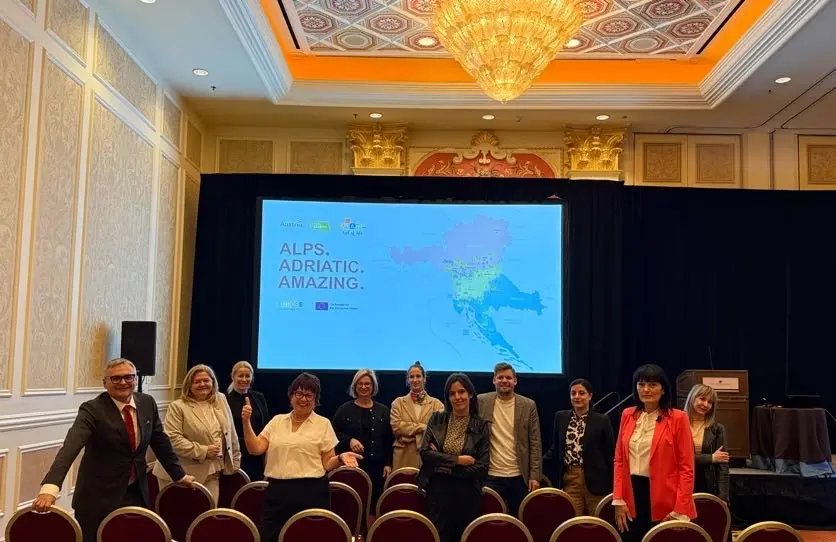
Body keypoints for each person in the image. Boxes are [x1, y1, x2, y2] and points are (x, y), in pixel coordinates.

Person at [34, 358, 195, 542]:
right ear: (105, 383)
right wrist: (50, 488)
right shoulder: (92, 409)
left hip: (136, 492)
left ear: (135, 379)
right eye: (116, 378)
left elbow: (161, 442)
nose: (123, 382)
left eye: (128, 377)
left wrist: (179, 475)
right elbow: (70, 447)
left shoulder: (147, 402)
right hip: (97, 498)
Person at [241, 372, 362, 542]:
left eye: (309, 395)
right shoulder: (277, 421)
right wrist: (246, 422)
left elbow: (327, 463)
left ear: (315, 399)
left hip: (311, 492)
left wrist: (341, 457)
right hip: (277, 492)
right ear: (291, 395)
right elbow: (255, 449)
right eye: (299, 394)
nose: (303, 399)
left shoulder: (323, 424)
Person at [613, 364, 696, 542]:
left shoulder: (678, 418)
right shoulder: (628, 415)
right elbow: (619, 460)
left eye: (652, 385)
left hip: (666, 498)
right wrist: (618, 499)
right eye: (641, 384)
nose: (646, 390)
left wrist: (680, 509)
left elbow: (687, 468)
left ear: (663, 389)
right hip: (630, 495)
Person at [418, 373, 490, 542]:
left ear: (470, 394)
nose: (457, 397)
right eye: (452, 393)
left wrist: (443, 465)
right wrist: (458, 460)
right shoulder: (437, 419)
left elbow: (482, 467)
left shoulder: (481, 426)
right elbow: (425, 453)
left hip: (467, 494)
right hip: (437, 493)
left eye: (461, 392)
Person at [152, 364, 240, 502]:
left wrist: (235, 460)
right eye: (197, 381)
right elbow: (173, 439)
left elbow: (231, 432)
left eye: (206, 380)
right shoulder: (177, 406)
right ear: (189, 385)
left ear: (213, 382)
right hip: (179, 474)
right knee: (179, 514)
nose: (202, 384)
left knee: (209, 514)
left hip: (213, 472)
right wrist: (203, 451)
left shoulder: (220, 399)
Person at [477, 362, 542, 516]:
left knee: (519, 520)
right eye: (500, 377)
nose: (504, 381)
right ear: (494, 380)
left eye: (508, 378)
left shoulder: (528, 405)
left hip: (519, 477)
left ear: (515, 381)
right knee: (489, 520)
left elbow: (535, 442)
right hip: (490, 475)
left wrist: (535, 476)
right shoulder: (481, 401)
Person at [543, 378, 615, 515]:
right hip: (570, 477)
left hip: (596, 480)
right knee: (572, 519)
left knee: (597, 520)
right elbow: (556, 448)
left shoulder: (602, 420)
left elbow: (610, 454)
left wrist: (614, 484)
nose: (577, 396)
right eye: (573, 393)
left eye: (581, 393)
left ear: (590, 396)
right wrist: (536, 465)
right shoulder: (561, 417)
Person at [333, 368, 394, 511]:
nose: (363, 387)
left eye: (367, 384)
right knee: (351, 506)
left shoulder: (383, 410)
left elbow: (388, 439)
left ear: (373, 387)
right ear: (355, 386)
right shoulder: (345, 409)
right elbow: (332, 433)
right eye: (360, 384)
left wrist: (388, 463)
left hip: (377, 469)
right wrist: (349, 440)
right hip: (352, 467)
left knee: (374, 507)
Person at [390, 361, 445, 470]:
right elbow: (397, 427)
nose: (415, 380)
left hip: (428, 457)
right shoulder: (398, 403)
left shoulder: (437, 404)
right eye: (411, 377)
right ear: (408, 380)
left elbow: (439, 431)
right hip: (403, 457)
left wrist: (408, 434)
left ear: (424, 379)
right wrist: (424, 427)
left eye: (418, 376)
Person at [684, 384, 730, 502]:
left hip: (707, 485)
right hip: (681, 483)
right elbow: (678, 459)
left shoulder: (718, 429)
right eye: (702, 399)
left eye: (710, 402)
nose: (705, 404)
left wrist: (723, 498)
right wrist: (711, 458)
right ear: (692, 398)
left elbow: (723, 467)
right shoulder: (677, 424)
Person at [226, 360, 269, 481]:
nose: (244, 379)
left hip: (258, 455)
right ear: (233, 377)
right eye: (240, 376)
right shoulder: (225, 401)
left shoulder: (259, 397)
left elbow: (267, 424)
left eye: (247, 376)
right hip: (237, 454)